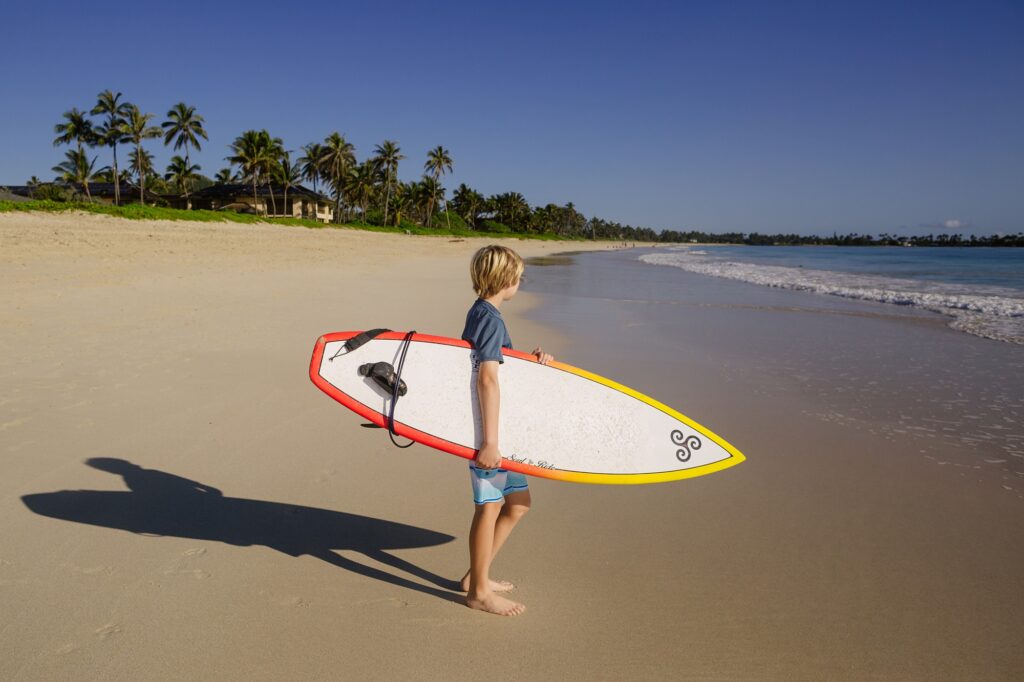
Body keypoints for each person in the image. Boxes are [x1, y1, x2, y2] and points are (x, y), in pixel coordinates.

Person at [460, 245, 553, 616]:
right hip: (489, 431)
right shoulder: (490, 319)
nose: (520, 281)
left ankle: (475, 576)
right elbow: (486, 377)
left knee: (518, 504)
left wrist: (530, 361)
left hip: (501, 430)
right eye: (518, 275)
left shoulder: (483, 314)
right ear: (506, 279)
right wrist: (490, 442)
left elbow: (499, 363)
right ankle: (478, 592)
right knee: (489, 506)